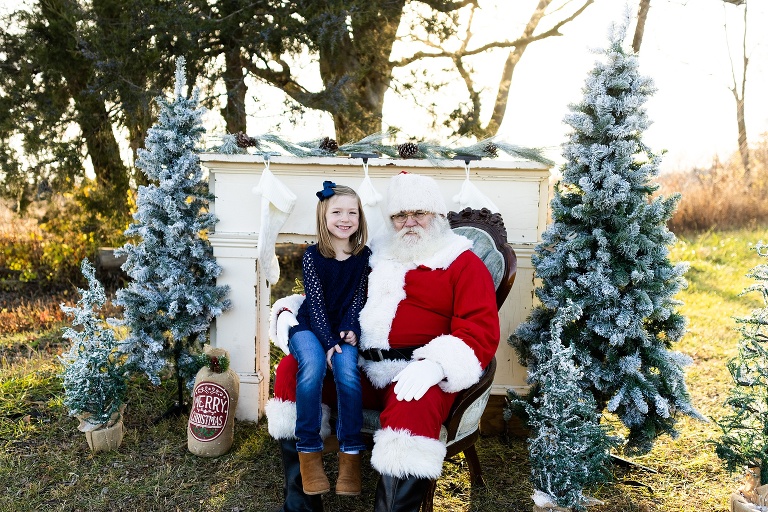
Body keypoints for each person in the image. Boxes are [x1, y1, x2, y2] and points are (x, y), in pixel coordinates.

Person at [266, 172, 500, 512]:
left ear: (435, 215)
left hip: (414, 370)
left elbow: (480, 330)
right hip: (359, 364)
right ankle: (301, 503)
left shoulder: (462, 263)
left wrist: (436, 365)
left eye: (418, 212)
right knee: (291, 370)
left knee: (413, 403)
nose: (409, 223)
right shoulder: (374, 255)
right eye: (399, 215)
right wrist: (289, 312)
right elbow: (329, 297)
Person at [283, 181, 371, 497]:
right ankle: (309, 452)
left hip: (342, 329)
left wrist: (350, 329)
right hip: (310, 327)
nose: (345, 218)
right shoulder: (312, 256)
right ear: (324, 215)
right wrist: (330, 340)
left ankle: (350, 455)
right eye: (337, 212)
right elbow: (316, 304)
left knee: (348, 373)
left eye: (352, 212)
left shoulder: (363, 256)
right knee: (313, 366)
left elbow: (358, 298)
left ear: (360, 218)